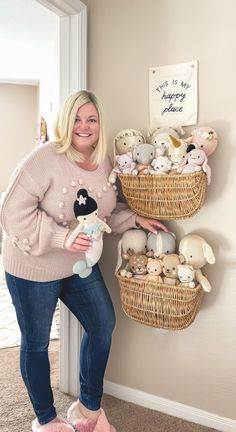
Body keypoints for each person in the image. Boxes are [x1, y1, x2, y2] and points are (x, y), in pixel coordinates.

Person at [0, 90, 168, 432]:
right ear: (66, 122)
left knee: (102, 324)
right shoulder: (43, 158)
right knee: (37, 343)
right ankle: (46, 420)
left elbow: (102, 214)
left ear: (99, 124)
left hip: (77, 266)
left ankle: (88, 410)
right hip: (33, 265)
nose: (84, 126)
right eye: (77, 118)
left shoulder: (105, 161)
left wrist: (136, 220)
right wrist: (62, 238)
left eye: (91, 119)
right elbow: (11, 213)